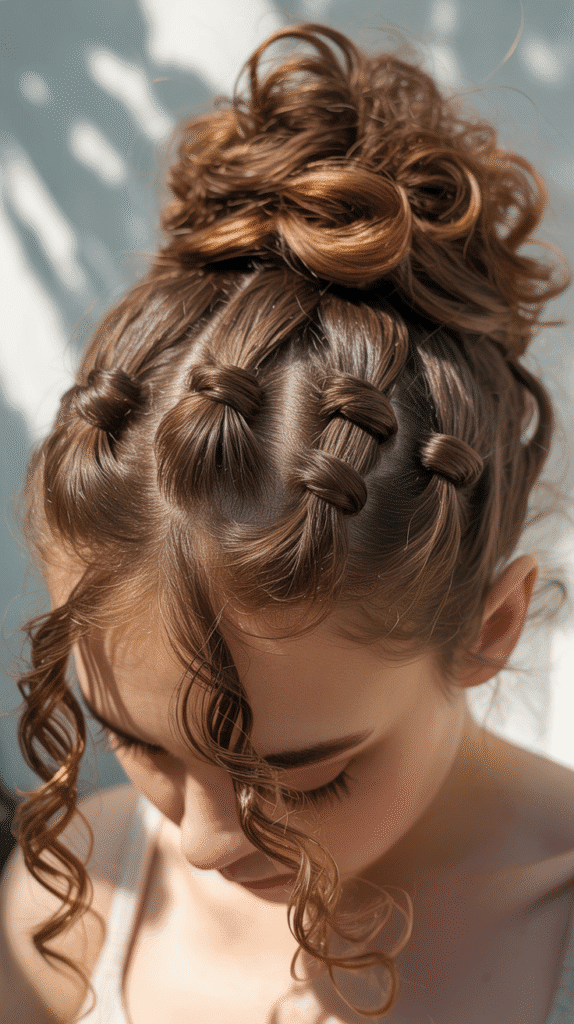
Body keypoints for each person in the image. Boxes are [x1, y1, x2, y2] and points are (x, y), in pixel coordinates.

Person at [0, 21, 572, 1024]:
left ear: (489, 627)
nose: (203, 845)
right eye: (138, 745)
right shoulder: (71, 913)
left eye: (306, 781)